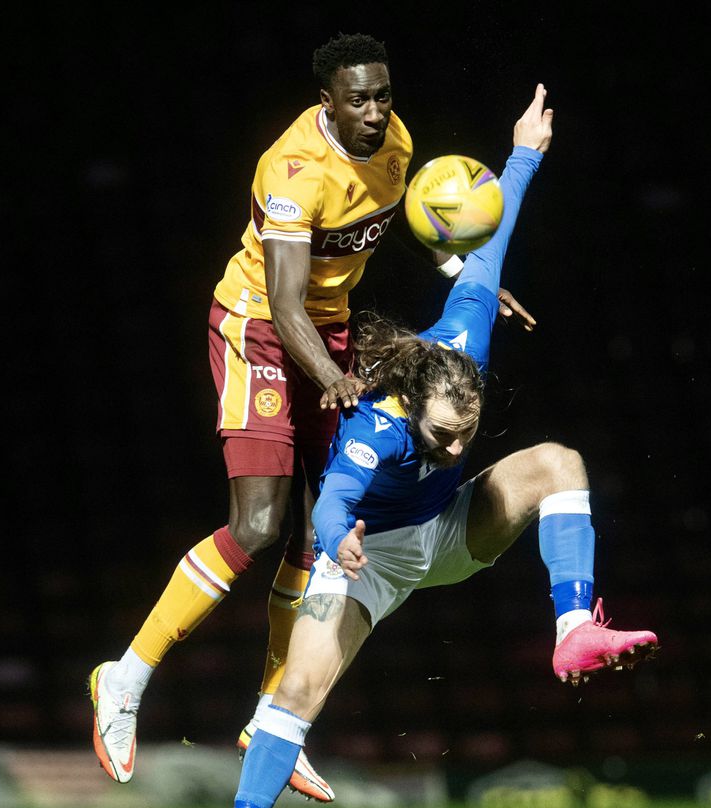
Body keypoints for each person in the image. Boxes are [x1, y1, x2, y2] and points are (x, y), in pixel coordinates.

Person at [87, 31, 530, 800]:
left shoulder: (397, 145)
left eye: (382, 95)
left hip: (329, 332)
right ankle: (124, 678)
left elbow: (409, 226)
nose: (374, 112)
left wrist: (469, 274)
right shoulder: (292, 171)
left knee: (320, 532)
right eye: (358, 99)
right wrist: (334, 379)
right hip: (260, 329)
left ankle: (270, 721)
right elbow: (286, 301)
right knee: (259, 523)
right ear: (327, 101)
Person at [232, 87, 659, 808]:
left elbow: (492, 240)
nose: (458, 448)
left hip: (451, 527)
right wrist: (339, 541)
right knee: (296, 692)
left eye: (468, 429)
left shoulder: (466, 336)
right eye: (442, 435)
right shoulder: (375, 425)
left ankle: (574, 629)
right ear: (412, 411)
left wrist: (524, 154)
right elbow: (334, 501)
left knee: (558, 462)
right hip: (367, 556)